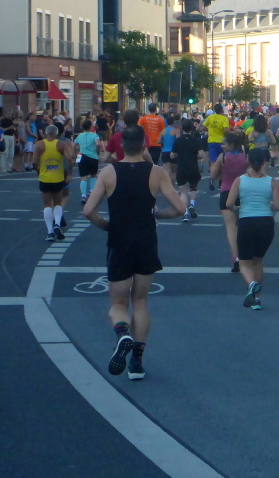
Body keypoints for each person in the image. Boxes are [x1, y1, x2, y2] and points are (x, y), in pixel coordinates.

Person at [83, 125, 185, 381]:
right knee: (140, 301)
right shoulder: (156, 173)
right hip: (146, 240)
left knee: (118, 304)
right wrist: (158, 215)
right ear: (144, 145)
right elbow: (180, 209)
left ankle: (122, 333)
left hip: (119, 240)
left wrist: (107, 226)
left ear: (121, 146)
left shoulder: (108, 172)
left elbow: (88, 211)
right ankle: (137, 362)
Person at [225, 148, 279, 310]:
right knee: (258, 261)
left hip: (247, 221)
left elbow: (229, 204)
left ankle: (251, 285)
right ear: (264, 162)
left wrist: (237, 209)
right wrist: (270, 205)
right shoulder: (272, 181)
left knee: (244, 262)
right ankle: (257, 299)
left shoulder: (239, 180)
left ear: (248, 161)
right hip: (266, 222)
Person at [211, 132, 248, 272]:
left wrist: (221, 171)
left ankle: (236, 256)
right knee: (242, 225)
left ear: (231, 144)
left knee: (231, 227)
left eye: (224, 144)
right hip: (243, 192)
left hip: (227, 191)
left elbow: (213, 175)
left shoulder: (223, 157)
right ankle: (245, 254)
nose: (222, 146)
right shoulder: (246, 156)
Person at [33, 125, 73, 241]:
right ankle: (57, 224)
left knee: (47, 205)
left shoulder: (39, 144)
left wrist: (38, 171)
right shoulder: (61, 144)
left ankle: (50, 232)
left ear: (46, 133)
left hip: (45, 177)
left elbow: (34, 161)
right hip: (58, 177)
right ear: (56, 134)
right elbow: (69, 159)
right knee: (57, 203)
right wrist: (69, 173)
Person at [171, 119, 206, 221]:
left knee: (183, 192)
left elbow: (172, 156)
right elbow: (202, 154)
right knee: (193, 187)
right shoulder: (196, 140)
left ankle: (185, 213)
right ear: (192, 128)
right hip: (193, 167)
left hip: (181, 167)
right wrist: (194, 155)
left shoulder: (178, 140)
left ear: (182, 128)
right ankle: (192, 204)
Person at [74, 119, 101, 204]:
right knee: (93, 175)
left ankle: (83, 195)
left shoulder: (79, 136)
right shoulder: (94, 135)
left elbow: (73, 145)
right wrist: (98, 151)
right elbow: (98, 144)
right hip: (92, 156)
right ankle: (91, 191)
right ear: (90, 127)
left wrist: (76, 152)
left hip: (82, 156)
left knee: (83, 176)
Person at [159, 117, 181, 186]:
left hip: (164, 151)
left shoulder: (163, 131)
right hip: (173, 152)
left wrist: (164, 142)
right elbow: (178, 141)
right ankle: (172, 186)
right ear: (173, 122)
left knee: (167, 171)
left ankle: (166, 185)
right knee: (174, 172)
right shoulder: (176, 130)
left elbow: (158, 141)